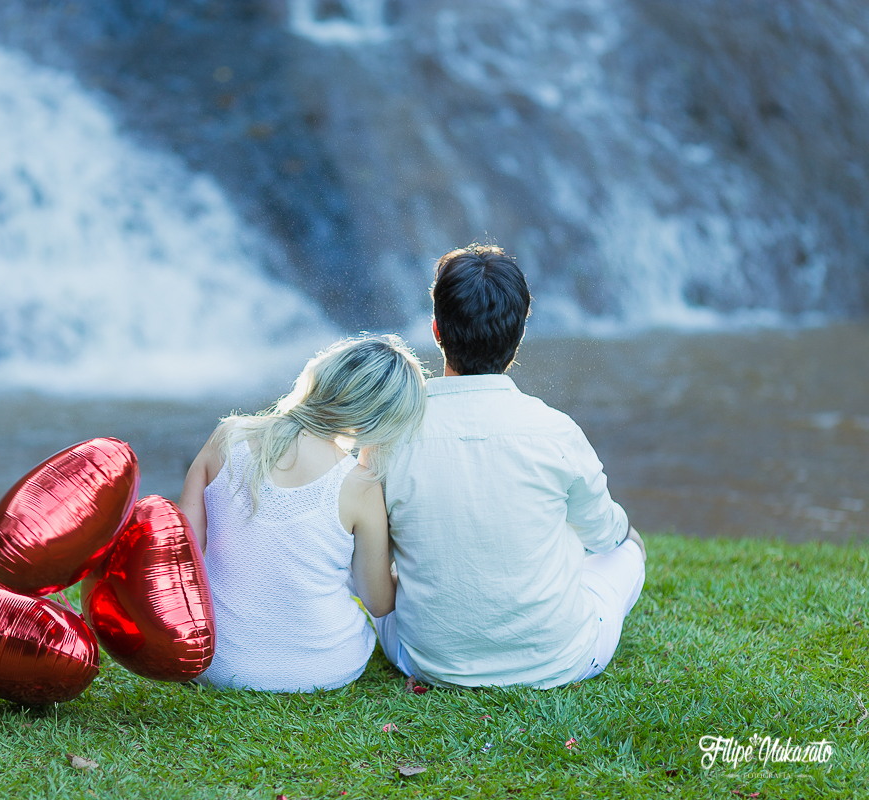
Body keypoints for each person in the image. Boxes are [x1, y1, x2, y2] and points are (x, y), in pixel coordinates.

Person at [375, 244, 647, 689]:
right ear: (519, 334)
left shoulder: (388, 434)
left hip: (424, 659)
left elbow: (372, 557)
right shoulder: (554, 431)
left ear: (436, 329)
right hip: (559, 663)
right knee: (625, 547)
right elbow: (604, 535)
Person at [179, 334, 426, 692]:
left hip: (215, 660)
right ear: (380, 421)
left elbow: (181, 554)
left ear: (323, 374)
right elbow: (378, 600)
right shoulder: (359, 484)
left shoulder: (227, 438)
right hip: (324, 667)